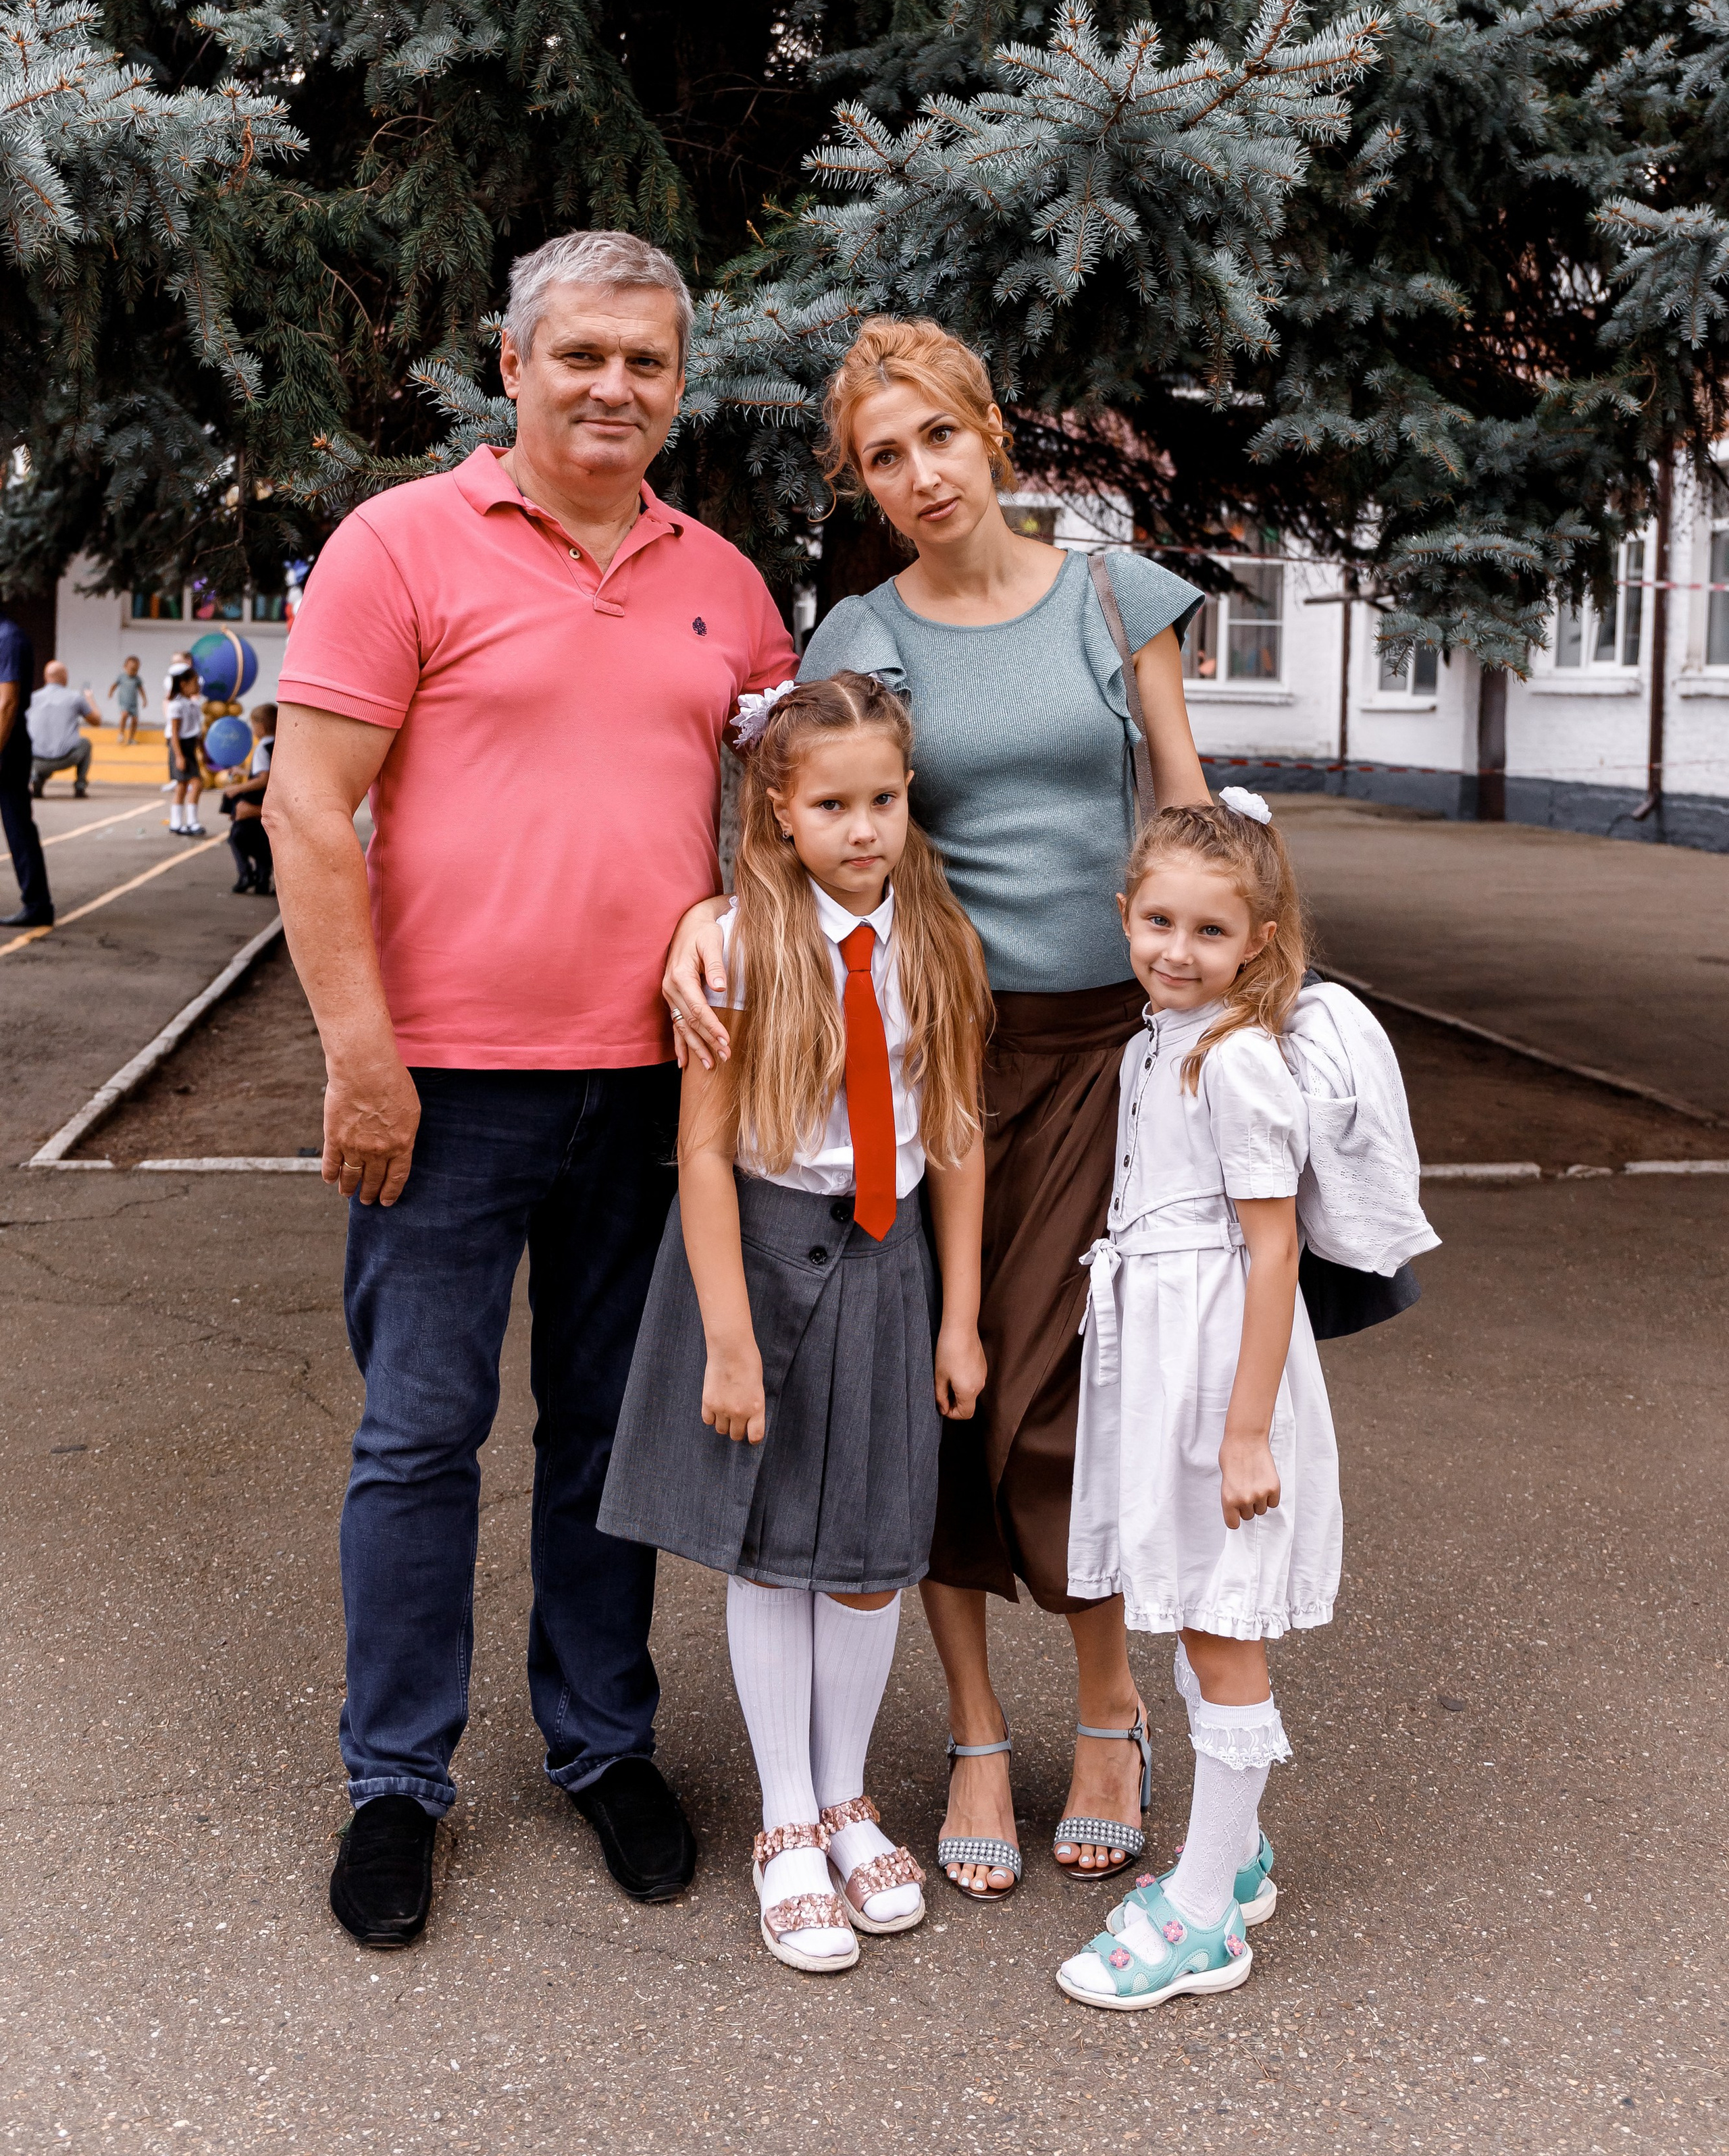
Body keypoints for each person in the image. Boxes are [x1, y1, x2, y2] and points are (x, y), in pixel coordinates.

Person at [266, 228, 798, 1951]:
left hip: (652, 1094)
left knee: (601, 1439)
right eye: (580, 354)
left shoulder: (725, 582)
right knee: (419, 1437)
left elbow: (787, 823)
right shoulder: (399, 544)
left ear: (680, 380)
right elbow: (306, 809)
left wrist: (732, 942)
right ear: (511, 366)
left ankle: (601, 1743)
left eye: (646, 359)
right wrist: (361, 1057)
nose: (612, 386)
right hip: (442, 1091)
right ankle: (395, 1780)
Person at [665, 315, 1210, 1899]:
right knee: (942, 1399)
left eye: (939, 437)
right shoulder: (864, 627)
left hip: (1110, 1048)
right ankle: (973, 1726)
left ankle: (1106, 1713)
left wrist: (1232, 999)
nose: (919, 475)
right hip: (944, 1049)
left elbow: (1183, 807)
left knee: (1069, 1396)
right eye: (882, 457)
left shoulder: (1115, 599)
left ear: (993, 432)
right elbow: (805, 806)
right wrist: (704, 917)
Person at [601, 673, 991, 1974]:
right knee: (771, 1549)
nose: (863, 828)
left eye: (884, 799)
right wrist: (727, 1340)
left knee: (873, 1551)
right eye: (832, 804)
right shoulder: (735, 948)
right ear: (777, 808)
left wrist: (960, 1317)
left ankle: (845, 1797)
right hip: (763, 1260)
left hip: (888, 1265)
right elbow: (705, 1158)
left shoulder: (940, 942)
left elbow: (957, 1137)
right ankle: (784, 1820)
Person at [1054, 793, 1343, 2009]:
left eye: (1210, 931)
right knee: (1187, 1612)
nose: (1177, 950)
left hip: (1222, 1374)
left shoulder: (1238, 1062)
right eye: (1159, 921)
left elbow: (1273, 1250)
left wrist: (1244, 1431)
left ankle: (1205, 1918)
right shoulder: (1155, 1041)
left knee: (1224, 1628)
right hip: (1165, 1362)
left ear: (1258, 941)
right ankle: (1235, 1857)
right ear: (1126, 913)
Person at [0, 608, 52, 928]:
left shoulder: (9, 638)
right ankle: (37, 903)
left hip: (7, 743)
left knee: (18, 825)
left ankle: (37, 905)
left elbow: (8, 703)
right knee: (18, 824)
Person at [222, 702, 276, 894]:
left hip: (255, 803)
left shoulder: (262, 748)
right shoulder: (279, 746)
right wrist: (244, 772)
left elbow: (264, 778)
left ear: (260, 727)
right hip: (271, 802)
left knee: (237, 838)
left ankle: (245, 873)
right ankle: (262, 879)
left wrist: (237, 788)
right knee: (263, 844)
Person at [27, 662, 101, 799]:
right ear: (65, 676)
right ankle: (80, 787)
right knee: (85, 744)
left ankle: (36, 780)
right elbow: (96, 721)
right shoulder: (75, 698)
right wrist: (89, 698)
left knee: (35, 742)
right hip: (66, 759)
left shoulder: (32, 698)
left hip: (35, 762)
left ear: (45, 677)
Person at [165, 668, 211, 833]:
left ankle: (177, 823)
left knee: (183, 786)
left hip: (190, 746)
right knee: (195, 783)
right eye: (195, 683)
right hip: (180, 746)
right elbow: (174, 734)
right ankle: (191, 822)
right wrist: (179, 756)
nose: (198, 686)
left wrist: (203, 752)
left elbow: (197, 733)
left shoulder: (193, 705)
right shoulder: (176, 706)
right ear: (183, 684)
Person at [109, 655, 146, 743]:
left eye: (136, 670)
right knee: (124, 715)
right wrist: (111, 692)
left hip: (134, 704)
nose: (133, 672)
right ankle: (121, 734)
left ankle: (131, 738)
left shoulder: (137, 679)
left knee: (135, 720)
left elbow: (141, 689)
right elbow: (114, 685)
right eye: (131, 669)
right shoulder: (121, 677)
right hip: (124, 702)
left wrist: (144, 699)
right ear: (125, 667)